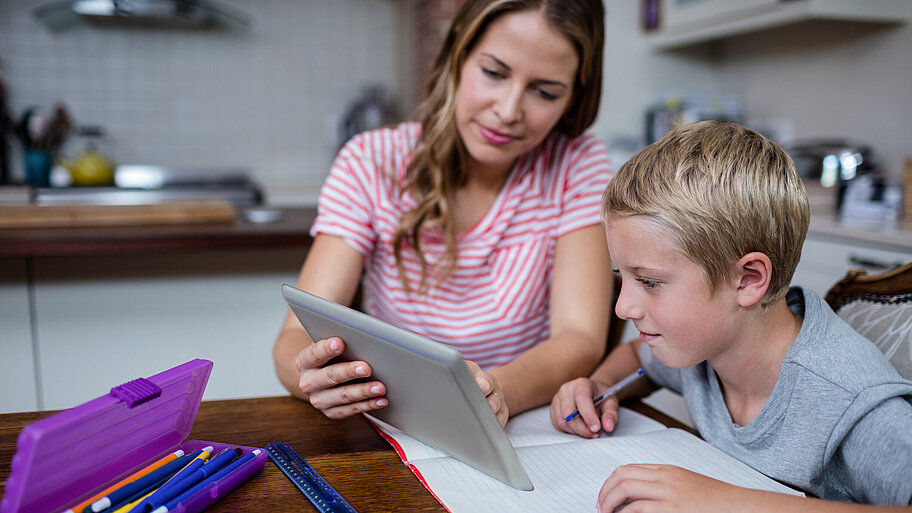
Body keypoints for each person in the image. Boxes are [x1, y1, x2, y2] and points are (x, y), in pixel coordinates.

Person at [274, 0, 614, 427]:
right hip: (393, 425)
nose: (508, 111)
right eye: (493, 73)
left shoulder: (577, 164)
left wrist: (489, 392)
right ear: (457, 55)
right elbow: (293, 340)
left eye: (544, 92)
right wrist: (311, 374)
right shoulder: (370, 161)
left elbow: (579, 339)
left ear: (573, 100)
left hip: (519, 421)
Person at [549, 121, 912, 512]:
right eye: (624, 276)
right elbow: (637, 359)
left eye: (650, 282)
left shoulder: (852, 401)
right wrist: (602, 385)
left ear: (748, 280)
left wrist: (726, 502)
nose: (623, 307)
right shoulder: (705, 343)